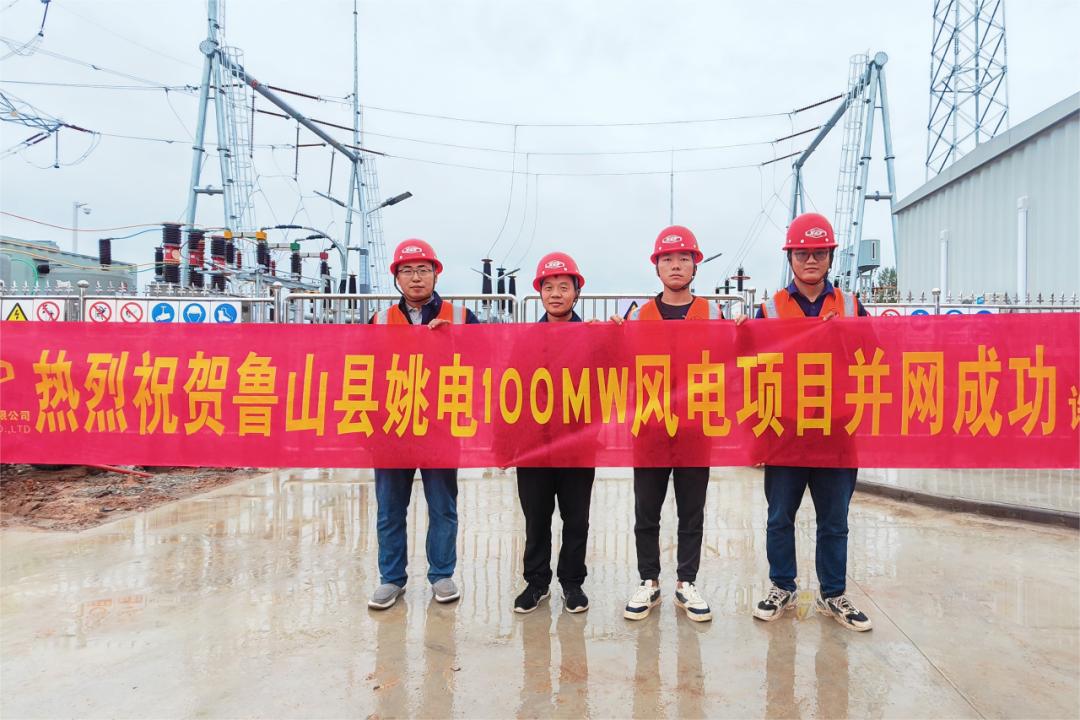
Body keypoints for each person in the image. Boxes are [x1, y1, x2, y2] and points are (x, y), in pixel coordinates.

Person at [735, 212, 873, 632]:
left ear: (830, 256)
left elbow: (874, 358)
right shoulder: (768, 309)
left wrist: (845, 334)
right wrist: (739, 333)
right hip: (786, 431)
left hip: (835, 429)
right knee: (780, 517)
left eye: (818, 252)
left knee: (835, 521)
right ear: (790, 258)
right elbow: (747, 368)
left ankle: (833, 593)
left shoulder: (850, 306)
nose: (810, 260)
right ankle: (783, 587)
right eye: (801, 253)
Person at [612, 225, 721, 623]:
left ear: (695, 266)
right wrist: (609, 335)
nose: (676, 265)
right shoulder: (638, 316)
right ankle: (649, 581)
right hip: (651, 426)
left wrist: (745, 331)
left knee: (692, 510)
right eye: (668, 259)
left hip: (694, 427)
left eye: (683, 259)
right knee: (647, 510)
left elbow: (734, 363)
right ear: (656, 267)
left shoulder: (714, 314)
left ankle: (686, 582)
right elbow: (619, 365)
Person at [367, 238, 480, 610]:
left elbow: (484, 364)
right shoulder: (379, 320)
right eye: (407, 271)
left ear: (436, 274)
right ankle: (391, 579)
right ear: (397, 277)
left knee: (442, 505)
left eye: (423, 270)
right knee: (390, 508)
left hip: (439, 427)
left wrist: (452, 342)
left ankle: (442, 575)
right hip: (392, 428)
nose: (416, 277)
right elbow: (362, 372)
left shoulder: (461, 317)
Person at [512, 252, 596, 615]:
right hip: (534, 445)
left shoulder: (592, 336)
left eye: (564, 286)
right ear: (540, 293)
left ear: (576, 292)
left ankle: (572, 582)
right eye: (548, 287)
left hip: (578, 443)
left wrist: (615, 333)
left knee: (576, 518)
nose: (556, 294)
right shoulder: (526, 339)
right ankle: (536, 582)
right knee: (537, 518)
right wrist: (506, 445)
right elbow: (509, 391)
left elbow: (617, 374)